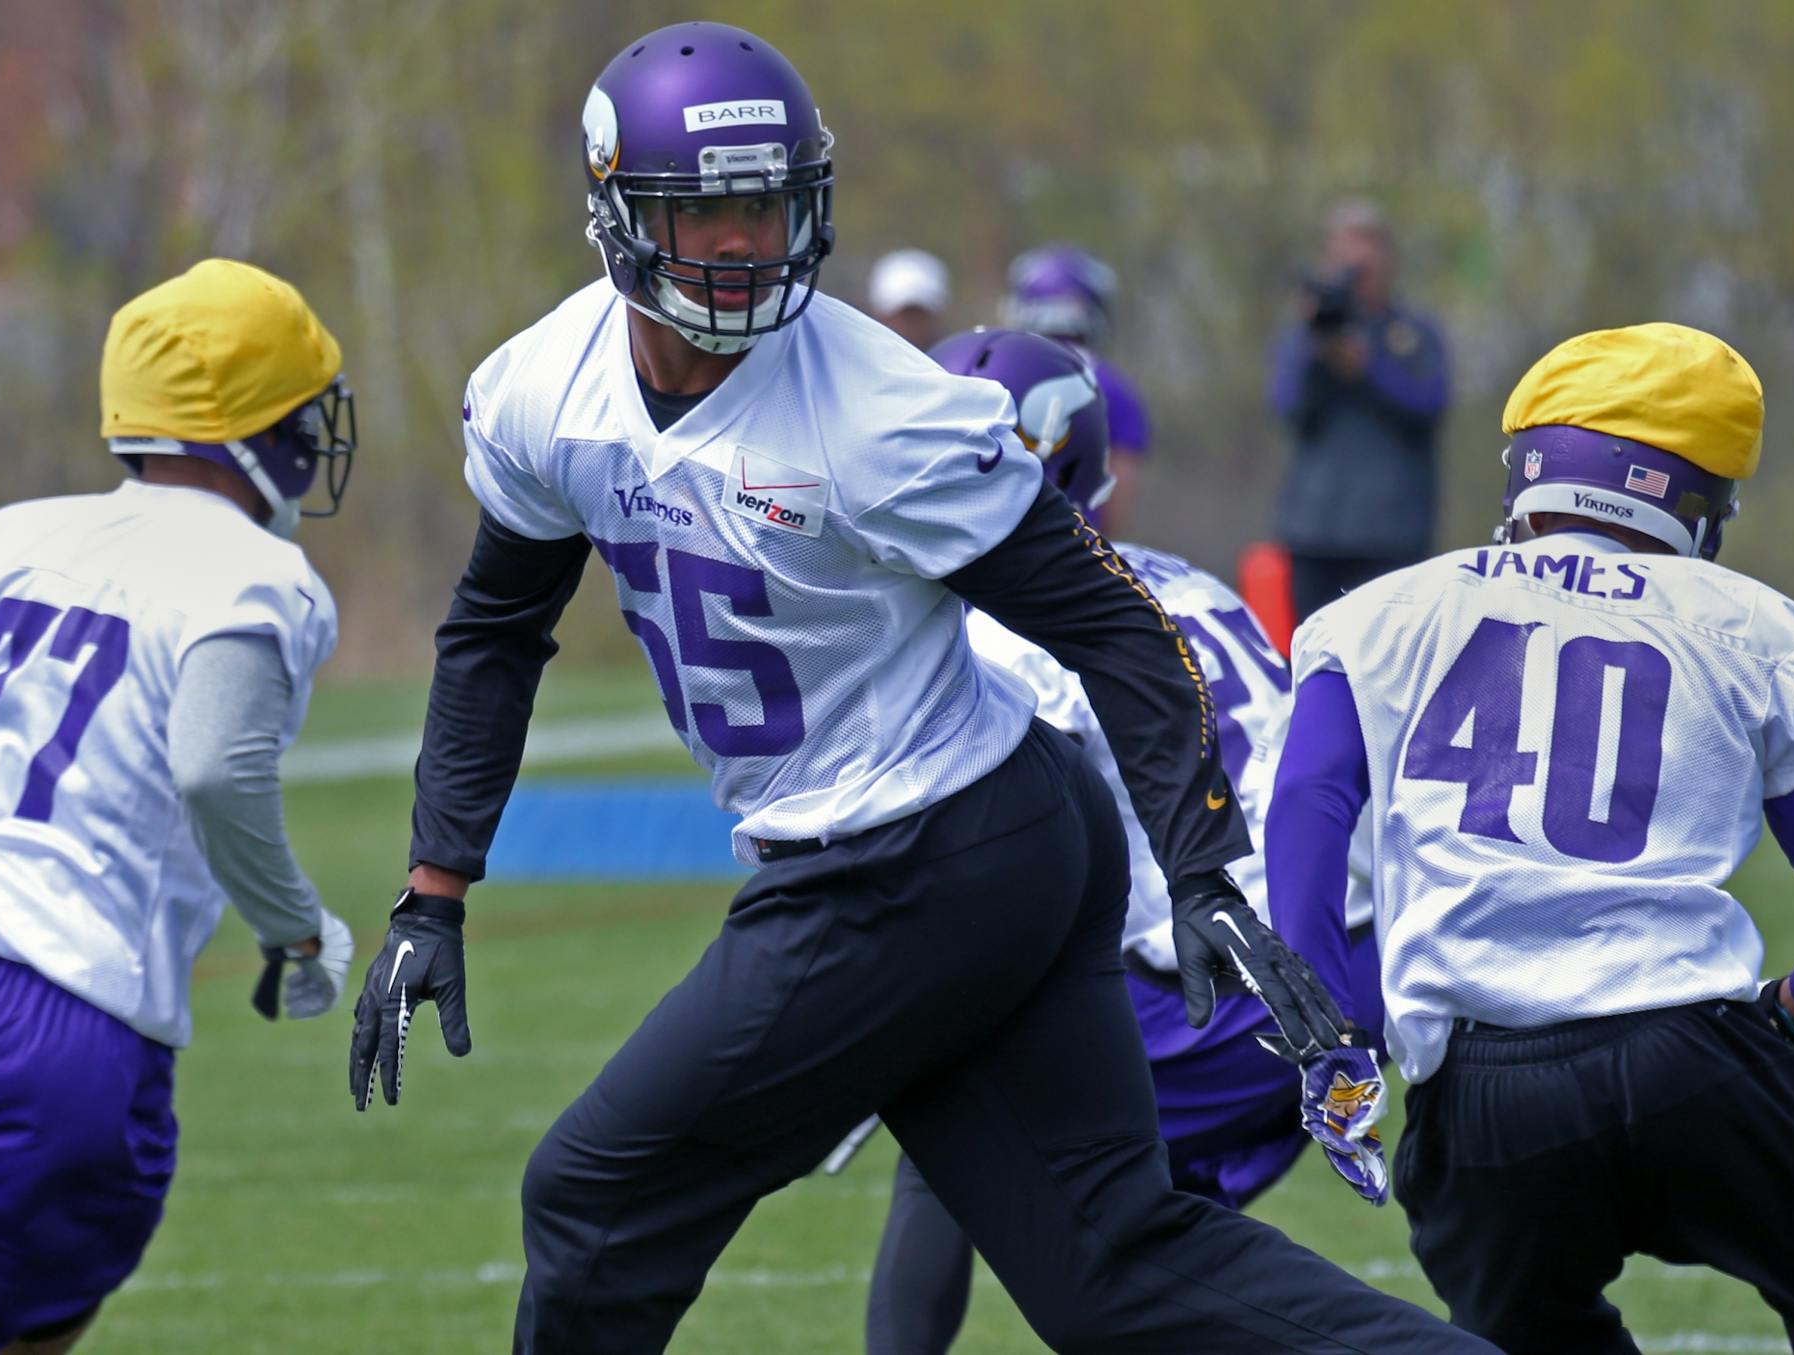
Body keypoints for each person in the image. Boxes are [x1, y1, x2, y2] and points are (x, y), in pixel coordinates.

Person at [344, 22, 1492, 1355]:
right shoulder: (548, 389)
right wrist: (434, 887)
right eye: (704, 208)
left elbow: (1117, 625)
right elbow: (495, 627)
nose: (740, 242)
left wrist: (1200, 870)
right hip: (969, 842)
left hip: (913, 855)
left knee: (593, 1194)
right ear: (614, 212)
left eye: (765, 203)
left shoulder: (882, 413)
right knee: (1111, 1268)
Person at [1265, 322, 1794, 1354]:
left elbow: (1308, 804)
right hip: (1696, 1055)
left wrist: (1327, 1031)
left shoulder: (1384, 612)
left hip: (1488, 1094)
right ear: (1698, 499)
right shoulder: (1755, 629)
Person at [0, 258, 358, 1354]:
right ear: (258, 426)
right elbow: (213, 769)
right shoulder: (259, 575)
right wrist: (296, 927)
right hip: (68, 1012)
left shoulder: (8, 532)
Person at [861, 327, 1387, 1355]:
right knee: (1171, 1260)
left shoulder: (995, 628)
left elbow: (998, 854)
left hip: (1222, 987)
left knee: (954, 1133)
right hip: (1339, 958)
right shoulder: (1189, 581)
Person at [1268, 199, 1449, 622]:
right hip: (1315, 534)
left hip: (1392, 536)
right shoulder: (1303, 334)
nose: (1358, 260)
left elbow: (1428, 408)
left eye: (1370, 245)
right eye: (1346, 247)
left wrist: (1367, 368)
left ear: (1389, 259)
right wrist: (1321, 353)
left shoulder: (1417, 333)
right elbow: (1290, 411)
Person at [1001, 243, 1153, 533]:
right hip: (1076, 549)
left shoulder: (996, 373)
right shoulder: (1113, 386)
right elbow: (1119, 484)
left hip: (996, 550)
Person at [867, 248, 951, 351]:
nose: (912, 325)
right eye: (904, 314)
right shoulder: (858, 360)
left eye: (919, 313)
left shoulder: (955, 362)